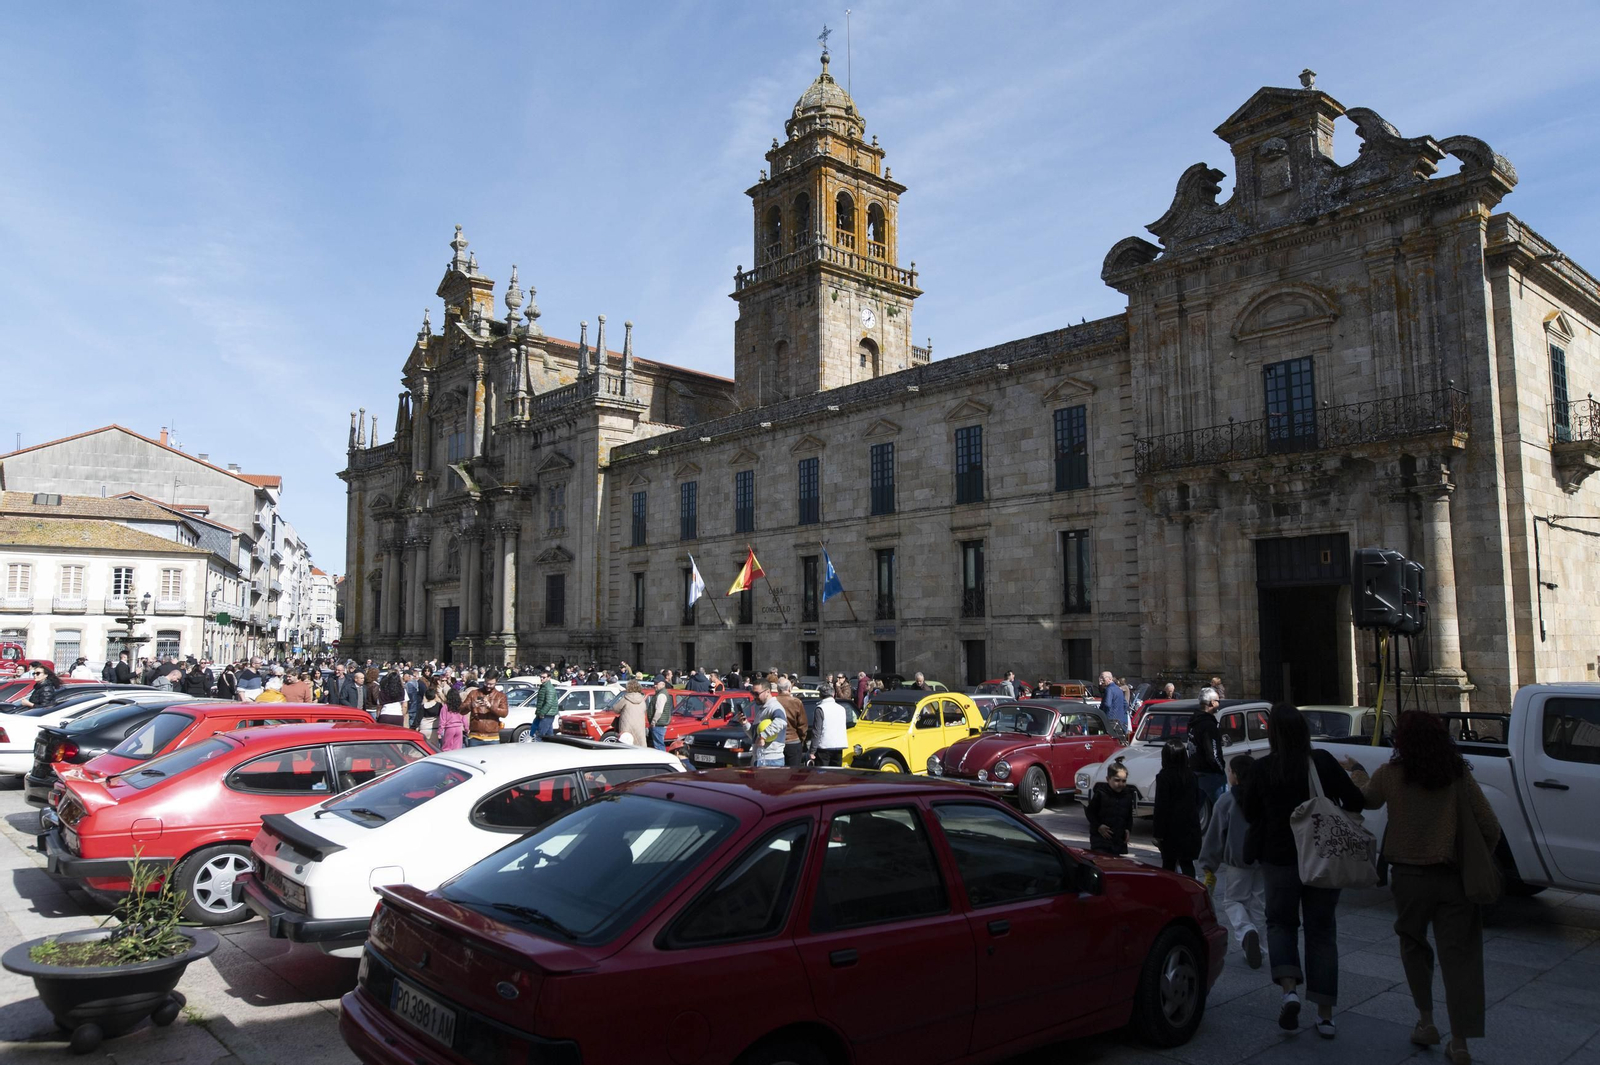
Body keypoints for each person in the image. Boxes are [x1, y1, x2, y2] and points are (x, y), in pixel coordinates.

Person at [1341, 712, 1502, 1064]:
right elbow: (1489, 826)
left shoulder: (1391, 775)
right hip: (1454, 877)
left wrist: (1356, 773)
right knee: (1460, 958)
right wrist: (1475, 857)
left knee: (1413, 945)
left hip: (1409, 877)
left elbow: (1365, 800)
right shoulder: (1457, 775)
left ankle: (1426, 1021)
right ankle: (1460, 1042)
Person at [1242, 702, 1365, 1039]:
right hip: (1322, 856)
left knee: (1280, 923)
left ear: (1273, 734)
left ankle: (1289, 991)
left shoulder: (1263, 768)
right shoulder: (1322, 762)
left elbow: (1250, 812)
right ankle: (1325, 1015)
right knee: (1322, 930)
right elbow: (1355, 801)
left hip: (1279, 857)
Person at [1200, 753, 1265, 969]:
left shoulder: (1228, 800)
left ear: (1235, 775)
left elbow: (1215, 835)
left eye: (1229, 771)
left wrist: (1208, 864)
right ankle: (1259, 948)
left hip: (1238, 860)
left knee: (1233, 901)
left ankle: (1247, 932)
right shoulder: (1265, 796)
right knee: (1257, 903)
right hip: (1263, 859)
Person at [1153, 740, 1201, 876]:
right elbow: (1197, 800)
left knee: (1168, 865)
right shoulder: (1191, 776)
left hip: (1171, 830)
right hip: (1190, 826)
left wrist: (1158, 833)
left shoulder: (1164, 777)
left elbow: (1161, 806)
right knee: (1187, 864)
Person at [1087, 761, 1135, 855]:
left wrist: (1128, 829)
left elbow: (1129, 815)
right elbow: (1090, 812)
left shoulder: (1127, 795)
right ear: (1108, 779)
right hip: (1101, 840)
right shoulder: (1101, 794)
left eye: (1123, 781)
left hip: (1118, 840)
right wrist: (1098, 826)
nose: (1121, 784)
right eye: (1117, 780)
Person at [1188, 686, 1227, 801]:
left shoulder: (1194, 721)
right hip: (1210, 773)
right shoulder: (1209, 725)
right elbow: (1213, 754)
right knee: (1224, 806)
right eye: (1218, 701)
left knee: (1196, 809)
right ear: (1212, 703)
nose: (1219, 704)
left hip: (1196, 770)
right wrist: (1221, 769)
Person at [751, 680, 788, 767]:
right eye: (752, 693)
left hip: (771, 759)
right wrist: (745, 724)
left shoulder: (774, 707)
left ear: (767, 692)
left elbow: (781, 721)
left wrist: (763, 735)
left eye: (756, 694)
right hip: (761, 758)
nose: (754, 697)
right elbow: (756, 736)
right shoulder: (763, 708)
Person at [774, 677, 809, 767]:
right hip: (793, 741)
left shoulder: (772, 702)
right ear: (790, 689)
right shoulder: (796, 702)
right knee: (793, 773)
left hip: (775, 742)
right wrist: (802, 739)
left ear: (778, 689)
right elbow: (803, 725)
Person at [465, 677, 507, 746]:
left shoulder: (501, 696)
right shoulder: (473, 693)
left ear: (496, 682)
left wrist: (490, 707)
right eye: (486, 683)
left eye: (491, 684)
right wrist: (471, 705)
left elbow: (504, 713)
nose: (488, 686)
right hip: (475, 737)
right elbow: (461, 710)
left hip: (493, 737)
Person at [813, 688, 847, 766]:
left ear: (820, 695)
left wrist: (812, 750)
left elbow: (817, 731)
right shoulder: (841, 708)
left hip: (824, 746)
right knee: (835, 773)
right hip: (839, 745)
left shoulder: (820, 708)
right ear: (833, 694)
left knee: (823, 774)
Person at [614, 680, 650, 746]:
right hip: (639, 726)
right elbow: (645, 710)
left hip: (626, 727)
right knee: (640, 746)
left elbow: (616, 709)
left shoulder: (625, 698)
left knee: (626, 744)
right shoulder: (642, 700)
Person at [437, 681, 468, 751]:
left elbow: (442, 720)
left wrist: (439, 732)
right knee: (457, 749)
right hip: (459, 728)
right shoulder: (460, 706)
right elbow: (464, 719)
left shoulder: (445, 707)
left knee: (446, 748)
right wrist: (466, 728)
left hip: (449, 728)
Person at [531, 670, 560, 740]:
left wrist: (542, 713)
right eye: (540, 677)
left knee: (539, 735)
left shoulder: (549, 688)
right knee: (549, 735)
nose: (541, 679)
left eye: (544, 677)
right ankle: (551, 748)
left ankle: (537, 749)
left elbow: (549, 703)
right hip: (545, 714)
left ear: (549, 678)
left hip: (547, 714)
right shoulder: (543, 687)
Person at [646, 679, 673, 750]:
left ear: (663, 684)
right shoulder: (660, 693)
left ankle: (662, 760)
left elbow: (659, 711)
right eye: (654, 683)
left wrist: (653, 722)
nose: (655, 685)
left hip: (658, 724)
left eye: (656, 684)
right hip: (659, 723)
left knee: (659, 746)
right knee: (658, 745)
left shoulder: (661, 695)